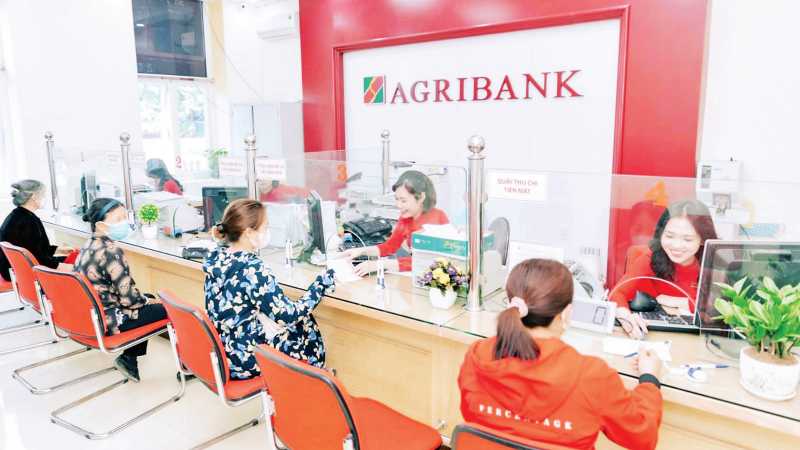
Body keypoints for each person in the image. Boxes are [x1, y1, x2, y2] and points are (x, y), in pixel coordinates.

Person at [458, 259, 663, 450]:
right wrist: (649, 379)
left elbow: (473, 417)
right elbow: (643, 438)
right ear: (566, 313)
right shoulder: (592, 376)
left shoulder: (477, 355)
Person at [204, 198, 336, 379]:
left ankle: (315, 376)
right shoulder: (251, 268)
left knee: (293, 316)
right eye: (265, 227)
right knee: (303, 323)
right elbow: (287, 315)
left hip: (224, 349)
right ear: (249, 232)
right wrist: (319, 286)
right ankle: (317, 380)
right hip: (247, 358)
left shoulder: (218, 258)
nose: (267, 232)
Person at [73, 198, 167, 382]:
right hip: (111, 319)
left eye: (125, 217)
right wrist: (148, 302)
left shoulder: (89, 244)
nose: (124, 222)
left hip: (93, 314)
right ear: (101, 225)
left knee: (146, 297)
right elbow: (129, 300)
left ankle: (129, 360)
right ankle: (188, 367)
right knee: (170, 309)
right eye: (118, 219)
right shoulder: (110, 250)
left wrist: (146, 300)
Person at [610, 199, 718, 340]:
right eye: (669, 236)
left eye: (688, 240)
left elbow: (716, 308)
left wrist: (676, 301)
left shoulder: (714, 262)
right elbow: (618, 292)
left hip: (700, 339)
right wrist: (625, 317)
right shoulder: (652, 257)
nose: (677, 245)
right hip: (657, 335)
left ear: (703, 239)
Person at [340, 170, 449, 275]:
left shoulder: (437, 219)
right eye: (396, 199)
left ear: (421, 197)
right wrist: (362, 251)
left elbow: (426, 261)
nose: (398, 205)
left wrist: (379, 264)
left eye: (403, 200)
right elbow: (391, 245)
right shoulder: (406, 217)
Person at [0, 180, 78, 281]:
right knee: (81, 263)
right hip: (24, 271)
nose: (45, 197)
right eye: (43, 194)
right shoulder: (29, 221)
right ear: (35, 197)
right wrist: (67, 267)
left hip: (10, 269)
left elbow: (31, 247)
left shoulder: (16, 215)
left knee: (75, 257)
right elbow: (35, 257)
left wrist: (59, 249)